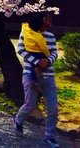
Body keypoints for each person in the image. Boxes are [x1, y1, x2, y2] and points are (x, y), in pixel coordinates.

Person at [14, 13, 59, 148]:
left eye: (50, 20)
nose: (47, 22)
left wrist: (48, 61)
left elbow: (54, 53)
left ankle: (49, 137)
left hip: (48, 75)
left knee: (53, 108)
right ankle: (18, 120)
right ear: (39, 19)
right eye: (45, 19)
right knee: (30, 105)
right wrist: (37, 62)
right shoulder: (27, 33)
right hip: (30, 73)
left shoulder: (50, 36)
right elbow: (20, 50)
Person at [21, 15, 50, 87]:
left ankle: (35, 78)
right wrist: (47, 55)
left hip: (29, 50)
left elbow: (24, 24)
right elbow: (43, 48)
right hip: (37, 52)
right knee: (37, 65)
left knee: (32, 65)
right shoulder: (39, 37)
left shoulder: (25, 29)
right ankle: (35, 80)